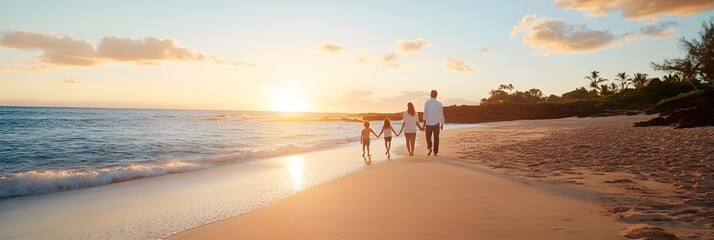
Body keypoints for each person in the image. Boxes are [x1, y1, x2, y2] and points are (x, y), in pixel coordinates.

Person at [422, 90, 444, 156]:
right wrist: (442, 123)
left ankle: (430, 146)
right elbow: (441, 114)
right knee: (436, 138)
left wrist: (423, 124)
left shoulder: (427, 103)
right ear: (436, 95)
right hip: (436, 123)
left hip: (428, 123)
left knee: (428, 137)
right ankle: (435, 152)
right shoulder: (439, 103)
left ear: (430, 95)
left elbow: (425, 114)